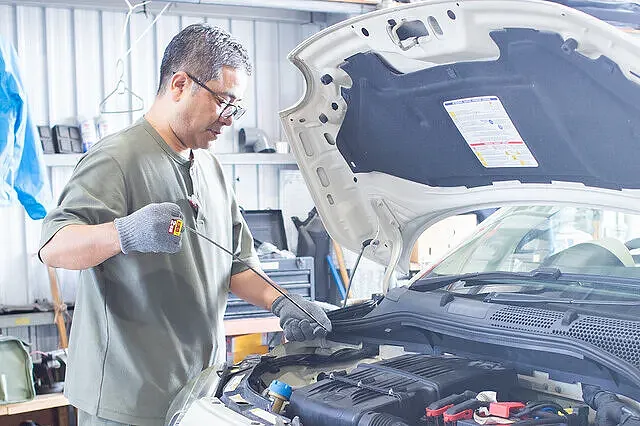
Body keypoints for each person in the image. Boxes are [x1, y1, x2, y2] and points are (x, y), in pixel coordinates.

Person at [38, 24, 331, 426]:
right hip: (128, 403)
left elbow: (236, 264)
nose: (229, 119)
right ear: (179, 85)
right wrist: (124, 233)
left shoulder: (211, 167)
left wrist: (283, 303)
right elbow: (54, 248)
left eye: (237, 107)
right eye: (223, 102)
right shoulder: (117, 158)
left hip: (198, 394)